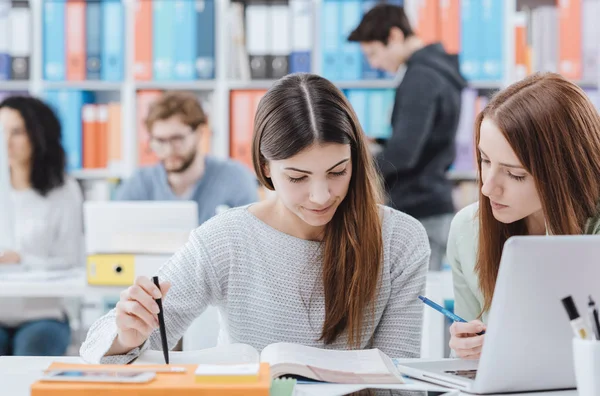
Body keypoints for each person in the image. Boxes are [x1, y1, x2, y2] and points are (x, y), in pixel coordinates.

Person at [80, 73, 430, 364]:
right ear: (265, 168)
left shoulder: (401, 239)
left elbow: (397, 381)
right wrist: (127, 335)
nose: (322, 196)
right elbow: (100, 347)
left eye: (338, 171)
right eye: (298, 177)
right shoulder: (226, 238)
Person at [447, 72, 600, 359]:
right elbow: (468, 348)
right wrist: (468, 347)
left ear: (565, 174)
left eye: (515, 175)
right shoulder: (468, 230)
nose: (487, 186)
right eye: (484, 160)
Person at [348, 4, 467, 271]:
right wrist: (379, 144)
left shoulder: (420, 77)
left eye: (374, 53)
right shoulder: (437, 69)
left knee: (419, 304)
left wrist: (354, 174)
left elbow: (404, 153)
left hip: (420, 208)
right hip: (431, 203)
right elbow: (422, 140)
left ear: (394, 36)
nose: (374, 64)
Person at [0, 96, 84, 356]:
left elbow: (72, 261)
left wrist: (22, 259)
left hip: (44, 314)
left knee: (33, 347)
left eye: (17, 132)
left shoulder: (64, 190)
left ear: (38, 135)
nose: (6, 142)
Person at [116, 91, 259, 224]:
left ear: (200, 133)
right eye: (160, 140)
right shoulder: (139, 183)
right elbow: (116, 232)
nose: (168, 149)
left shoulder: (235, 179)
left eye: (177, 139)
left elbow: (252, 237)